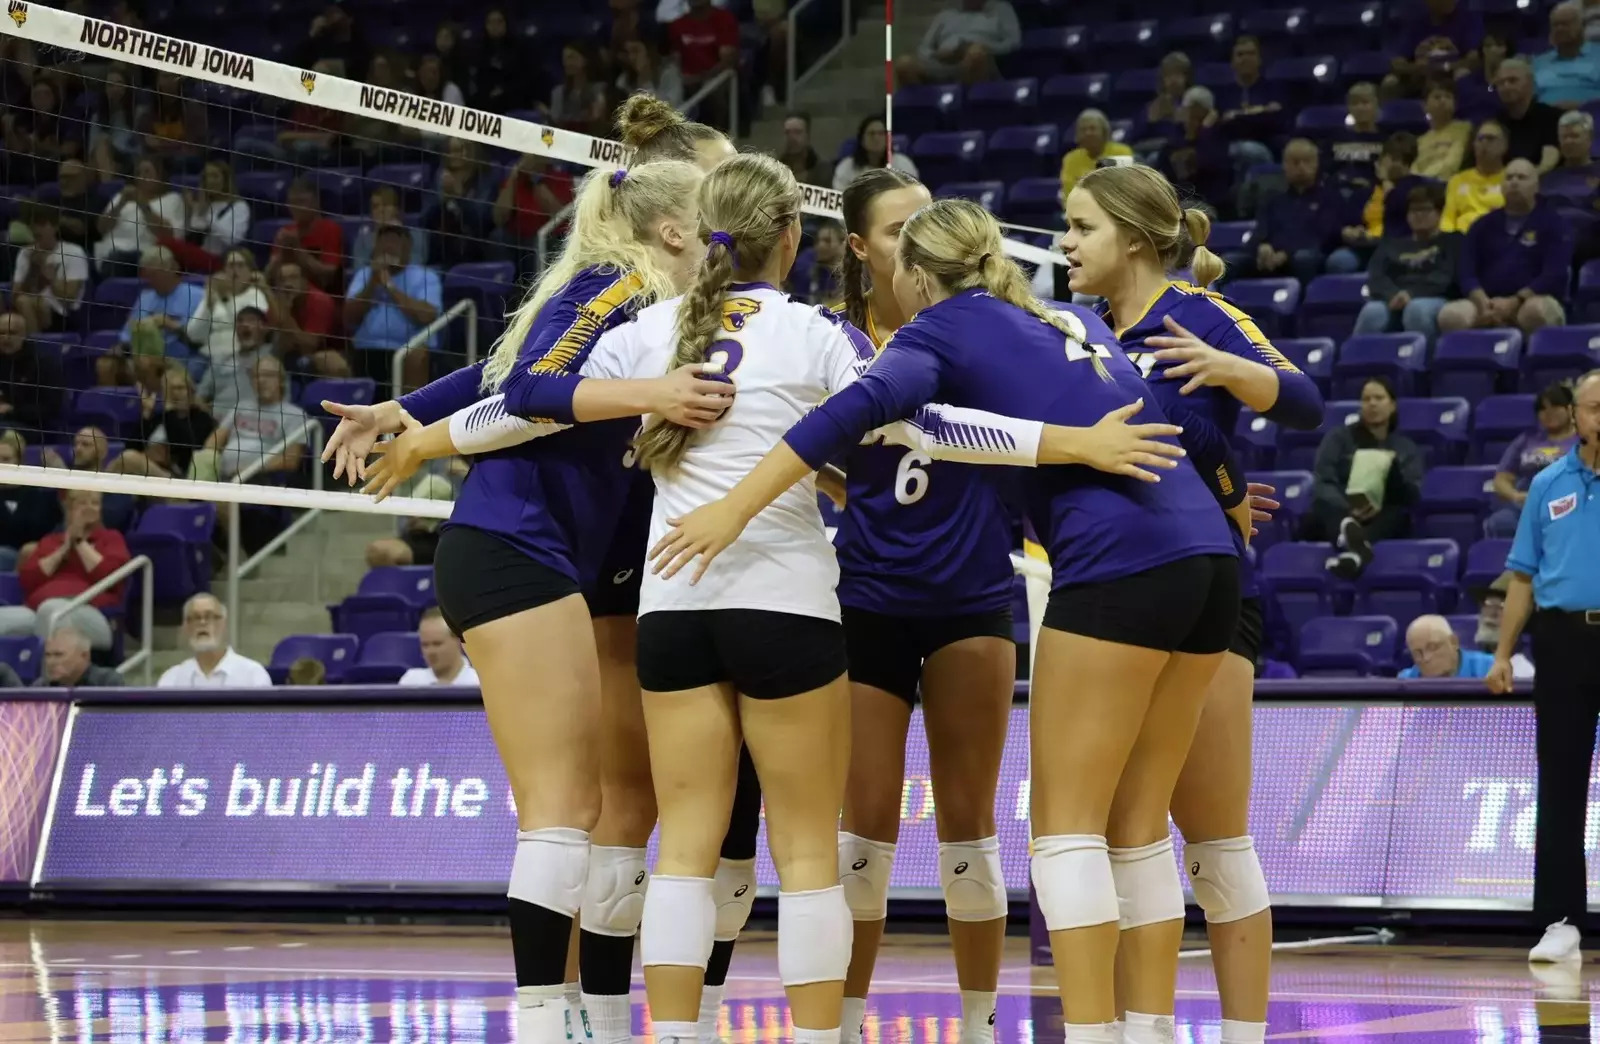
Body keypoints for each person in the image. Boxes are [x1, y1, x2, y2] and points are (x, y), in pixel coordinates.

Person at [651, 195, 1242, 1044]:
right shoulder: (1070, 319)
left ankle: (1091, 1035)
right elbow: (1181, 427)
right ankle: (1146, 1028)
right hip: (1208, 562)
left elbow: (836, 421)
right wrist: (1222, 498)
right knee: (1139, 829)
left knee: (1068, 834)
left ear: (916, 275)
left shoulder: (934, 332)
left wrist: (730, 511)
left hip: (1117, 566)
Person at [326, 98, 746, 1044]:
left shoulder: (639, 295)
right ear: (674, 223)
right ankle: (550, 1020)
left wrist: (405, 413)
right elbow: (528, 391)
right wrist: (651, 393)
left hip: (546, 554)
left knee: (585, 805)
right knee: (564, 809)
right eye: (713, 215)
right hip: (520, 551)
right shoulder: (620, 282)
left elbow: (499, 370)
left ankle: (582, 1017)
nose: (725, 233)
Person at [1069, 162, 1323, 1044]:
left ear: (1133, 239)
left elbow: (1302, 398)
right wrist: (1216, 478)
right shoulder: (1082, 331)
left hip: (1209, 592)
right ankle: (1142, 1028)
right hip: (1118, 588)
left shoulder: (1203, 313)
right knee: (1118, 836)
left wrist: (1225, 367)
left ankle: (1245, 1035)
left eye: (1079, 228)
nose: (1063, 244)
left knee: (1214, 843)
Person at [828, 168, 1016, 1044]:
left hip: (972, 597)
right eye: (900, 227)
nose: (918, 239)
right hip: (866, 597)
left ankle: (979, 1025)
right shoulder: (833, 339)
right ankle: (846, 1021)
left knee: (968, 824)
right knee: (859, 827)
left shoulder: (991, 329)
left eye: (928, 224)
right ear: (861, 247)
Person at [1486, 369, 1600, 964]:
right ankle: (1560, 920)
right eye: (1593, 407)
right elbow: (1523, 577)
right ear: (1575, 416)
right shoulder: (1547, 483)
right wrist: (1504, 653)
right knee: (1560, 784)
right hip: (1561, 641)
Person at [1302, 376, 1425, 577]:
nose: (1372, 404)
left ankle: (1355, 550)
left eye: (1379, 398)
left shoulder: (1406, 448)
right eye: (1366, 399)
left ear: (1392, 405)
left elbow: (1412, 493)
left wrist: (1393, 475)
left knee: (1399, 514)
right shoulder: (1338, 438)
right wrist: (1348, 509)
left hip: (1380, 514)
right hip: (1340, 511)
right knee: (1319, 507)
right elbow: (1323, 481)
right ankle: (1355, 545)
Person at [1436, 159, 1572, 337]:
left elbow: (1555, 273)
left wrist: (1515, 301)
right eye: (1509, 178)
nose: (1514, 182)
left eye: (1522, 177)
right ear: (1501, 186)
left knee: (1534, 312)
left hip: (1533, 298)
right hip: (1487, 301)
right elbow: (1466, 270)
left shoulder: (1554, 223)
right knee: (1451, 316)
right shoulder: (1482, 225)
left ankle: (1536, 362)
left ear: (1536, 186)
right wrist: (1481, 301)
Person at [0, 490, 130, 651]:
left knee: (51, 610)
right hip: (37, 610)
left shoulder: (111, 538)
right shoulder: (50, 541)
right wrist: (63, 550)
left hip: (92, 613)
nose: (90, 508)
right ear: (68, 509)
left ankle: (45, 672)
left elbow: (110, 577)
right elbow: (28, 580)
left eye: (95, 503)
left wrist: (79, 542)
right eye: (82, 503)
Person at [1354, 183, 1462, 342]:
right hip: (1393, 298)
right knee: (1372, 312)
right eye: (1413, 210)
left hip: (1435, 297)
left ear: (1439, 213)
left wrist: (1411, 294)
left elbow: (1447, 276)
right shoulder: (1391, 244)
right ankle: (1359, 364)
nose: (1419, 215)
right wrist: (1392, 294)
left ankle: (1426, 363)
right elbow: (1376, 276)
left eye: (1425, 210)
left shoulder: (1453, 241)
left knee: (1416, 310)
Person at [343, 224, 443, 396]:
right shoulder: (365, 275)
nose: (389, 245)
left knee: (418, 355)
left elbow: (427, 315)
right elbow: (349, 317)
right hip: (366, 351)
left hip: (406, 352)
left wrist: (389, 286)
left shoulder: (426, 276)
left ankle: (409, 416)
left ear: (408, 246)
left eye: (395, 240)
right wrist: (373, 283)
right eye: (384, 240)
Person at [1250, 139, 1356, 282]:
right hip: (1274, 255)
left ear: (1316, 164)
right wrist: (1262, 246)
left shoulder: (1331, 197)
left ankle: (1304, 301)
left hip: (1312, 254)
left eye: (1306, 161)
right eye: (1295, 162)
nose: (1301, 167)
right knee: (1232, 262)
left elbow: (1323, 236)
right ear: (1284, 165)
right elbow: (1260, 230)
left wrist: (1286, 253)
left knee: (1303, 258)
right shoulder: (1273, 198)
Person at [1487, 382, 1581, 537]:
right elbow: (1501, 480)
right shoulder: (1526, 440)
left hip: (1568, 505)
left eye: (1555, 406)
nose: (1549, 412)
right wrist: (1516, 496)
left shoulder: (1584, 440)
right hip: (1527, 505)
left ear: (1570, 409)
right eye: (1543, 409)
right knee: (1501, 522)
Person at [94, 154, 184, 275]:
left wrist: (142, 204)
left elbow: (168, 235)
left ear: (160, 175)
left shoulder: (172, 199)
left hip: (146, 253)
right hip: (109, 251)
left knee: (119, 259)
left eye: (147, 172)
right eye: (138, 172)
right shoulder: (121, 197)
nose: (142, 176)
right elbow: (101, 229)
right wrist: (120, 204)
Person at [157, 593, 272, 687]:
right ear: (186, 627)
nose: (202, 623)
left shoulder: (253, 675)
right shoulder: (171, 679)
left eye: (210, 616)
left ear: (224, 624)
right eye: (195, 618)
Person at [896, 0, 1020, 86]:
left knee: (975, 54)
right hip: (941, 64)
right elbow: (923, 48)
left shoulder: (1001, 9)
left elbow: (1013, 42)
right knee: (904, 64)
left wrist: (984, 47)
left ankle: (966, 112)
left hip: (977, 61)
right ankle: (920, 117)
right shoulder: (946, 15)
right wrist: (937, 55)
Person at [12, 205, 89, 335]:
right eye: (33, 225)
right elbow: (15, 294)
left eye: (42, 224)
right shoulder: (25, 253)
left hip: (64, 314)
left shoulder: (73, 252)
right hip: (31, 308)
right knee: (22, 301)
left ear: (55, 227)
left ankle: (35, 349)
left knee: (25, 302)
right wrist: (33, 269)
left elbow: (70, 296)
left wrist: (51, 279)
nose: (36, 229)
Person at [0, 432, 61, 572]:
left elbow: (42, 533)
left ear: (19, 462)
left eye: (6, 459)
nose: (1, 464)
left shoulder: (36, 495)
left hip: (29, 559)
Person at [0, 310, 64, 437]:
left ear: (24, 334)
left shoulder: (43, 363)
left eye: (12, 333)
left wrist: (13, 410)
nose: (5, 338)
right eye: (1, 333)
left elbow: (50, 408)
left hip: (35, 427)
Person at [1495, 58, 1562, 171]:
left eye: (1512, 80)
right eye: (1501, 83)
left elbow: (1548, 164)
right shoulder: (1495, 123)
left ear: (1530, 82)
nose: (1506, 86)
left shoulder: (1552, 117)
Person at [1442, 119, 1508, 232]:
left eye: (1491, 139)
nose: (1484, 143)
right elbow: (1448, 220)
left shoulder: (1512, 179)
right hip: (1461, 240)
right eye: (1480, 139)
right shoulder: (1457, 180)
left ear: (1504, 145)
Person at [1534, 3, 1600, 109]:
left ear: (1582, 26)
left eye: (1565, 24)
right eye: (1556, 25)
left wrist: (1581, 105)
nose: (1560, 29)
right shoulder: (1539, 62)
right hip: (1547, 119)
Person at [1474, 570, 1536, 678]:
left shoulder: (1528, 669)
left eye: (1503, 606)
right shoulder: (1465, 659)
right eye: (1488, 603)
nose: (1492, 613)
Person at [833, 116, 920, 192]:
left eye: (881, 134)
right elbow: (840, 199)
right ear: (862, 140)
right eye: (871, 134)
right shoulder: (846, 166)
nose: (876, 138)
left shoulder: (903, 164)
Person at [1059, 110, 1134, 196]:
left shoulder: (1122, 152)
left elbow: (1126, 187)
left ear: (1104, 132)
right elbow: (1069, 192)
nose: (1088, 133)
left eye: (1092, 128)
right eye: (1083, 130)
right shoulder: (1070, 159)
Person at [400, 607, 481, 686]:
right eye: (425, 645)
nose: (430, 651)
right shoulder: (410, 681)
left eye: (437, 644)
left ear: (458, 640)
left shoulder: (479, 682)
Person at [1399, 613, 1496, 678]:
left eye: (1433, 647)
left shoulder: (1490, 667)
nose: (1426, 658)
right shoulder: (1406, 680)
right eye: (1417, 653)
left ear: (1454, 642)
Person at [1415, 80, 1473, 180]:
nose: (1443, 100)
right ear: (1425, 106)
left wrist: (1424, 178)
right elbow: (1415, 168)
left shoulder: (1465, 129)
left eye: (1448, 97)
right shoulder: (1421, 140)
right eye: (1437, 97)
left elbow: (1452, 164)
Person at [32, 624, 124, 688]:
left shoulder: (107, 683)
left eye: (58, 655)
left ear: (84, 656)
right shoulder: (41, 687)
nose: (51, 662)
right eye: (47, 655)